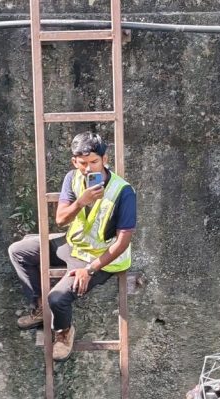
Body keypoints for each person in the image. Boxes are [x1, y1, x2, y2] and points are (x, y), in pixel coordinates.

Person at [8, 132, 137, 361]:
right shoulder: (72, 178)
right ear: (74, 162)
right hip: (75, 245)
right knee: (18, 251)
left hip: (102, 258)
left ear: (105, 159)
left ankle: (64, 333)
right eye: (82, 163)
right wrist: (81, 202)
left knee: (57, 298)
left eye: (94, 162)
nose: (88, 169)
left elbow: (123, 242)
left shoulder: (123, 191)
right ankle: (39, 309)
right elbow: (61, 219)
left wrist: (89, 270)